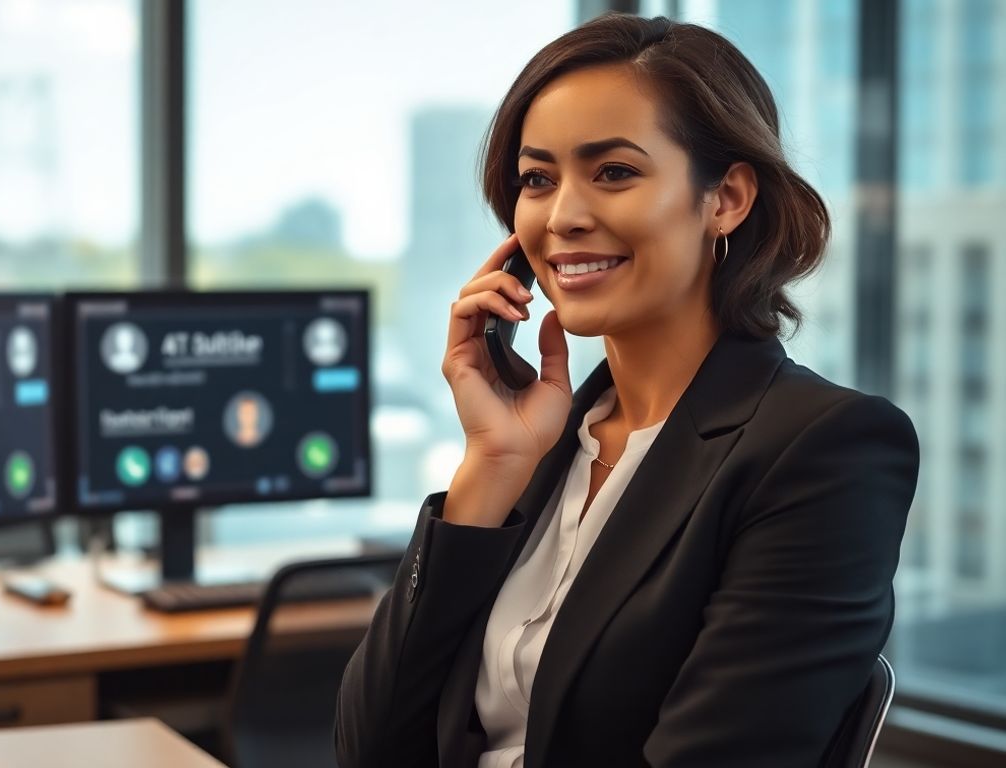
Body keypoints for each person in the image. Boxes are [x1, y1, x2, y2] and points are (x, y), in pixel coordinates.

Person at [335, 14, 919, 768]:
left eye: (613, 172)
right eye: (537, 180)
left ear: (726, 198)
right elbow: (367, 748)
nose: (563, 217)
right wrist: (491, 466)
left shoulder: (826, 451)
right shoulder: (542, 448)